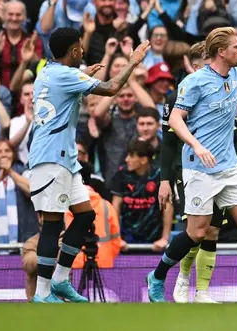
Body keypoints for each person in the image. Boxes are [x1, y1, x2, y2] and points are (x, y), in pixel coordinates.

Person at [145, 1, 237, 304]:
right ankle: (157, 276)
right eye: (236, 47)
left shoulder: (236, 75)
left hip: (229, 165)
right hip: (199, 166)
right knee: (196, 232)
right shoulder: (195, 81)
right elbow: (174, 119)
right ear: (222, 51)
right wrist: (196, 145)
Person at [29, 27, 150, 303]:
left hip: (65, 160)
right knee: (52, 223)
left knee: (85, 216)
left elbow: (66, 88)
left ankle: (60, 280)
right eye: (80, 47)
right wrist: (132, 62)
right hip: (50, 158)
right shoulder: (67, 75)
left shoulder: (47, 72)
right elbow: (112, 88)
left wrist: (84, 76)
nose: (83, 51)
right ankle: (42, 293)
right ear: (73, 50)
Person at [159, 42, 237, 304]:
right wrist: (165, 179)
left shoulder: (225, 89)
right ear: (195, 67)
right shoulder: (177, 97)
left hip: (222, 167)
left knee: (212, 231)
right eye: (200, 65)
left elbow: (234, 136)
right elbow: (168, 141)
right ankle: (183, 276)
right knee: (196, 229)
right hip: (187, 168)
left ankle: (203, 292)